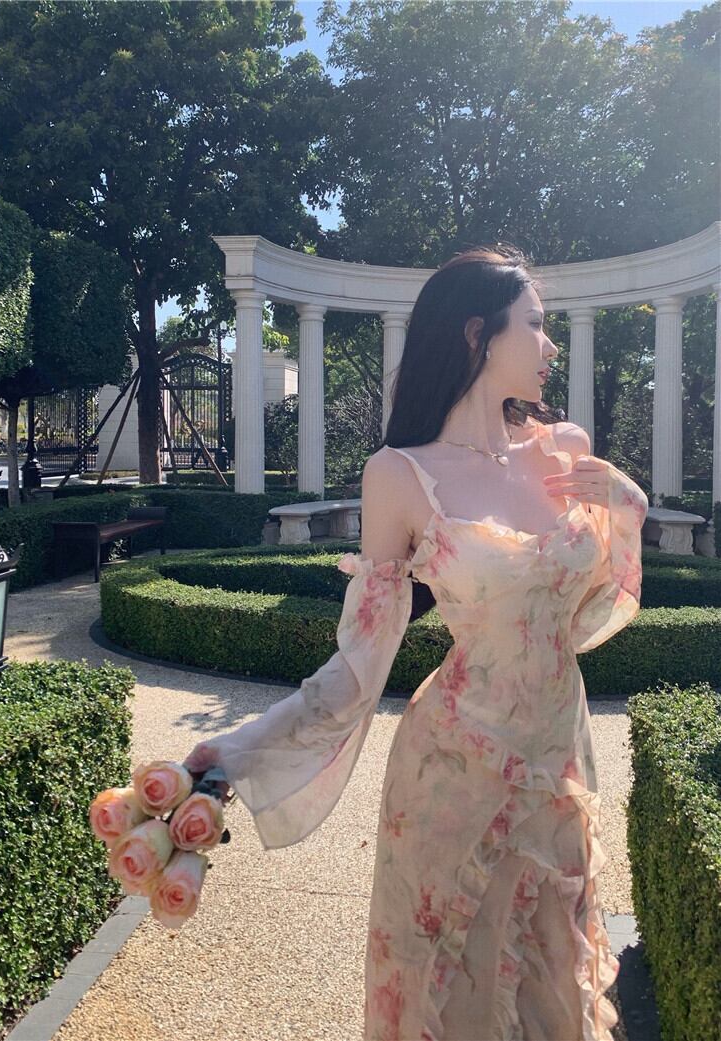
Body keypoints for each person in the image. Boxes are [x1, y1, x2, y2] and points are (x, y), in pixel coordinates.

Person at [183, 243, 649, 1041]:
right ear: (477, 334)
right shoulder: (398, 474)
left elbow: (585, 617)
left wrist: (627, 503)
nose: (550, 344)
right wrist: (241, 746)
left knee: (555, 997)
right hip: (451, 779)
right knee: (453, 1000)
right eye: (534, 325)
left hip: (559, 771)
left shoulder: (565, 450)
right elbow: (361, 662)